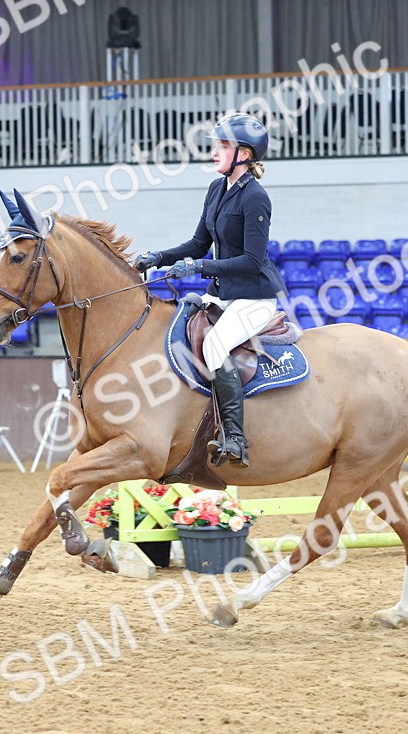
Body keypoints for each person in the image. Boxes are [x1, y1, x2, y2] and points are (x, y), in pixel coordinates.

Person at [134, 113, 287, 469]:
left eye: (223, 145)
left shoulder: (255, 198)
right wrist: (158, 257)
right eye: (216, 144)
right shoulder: (217, 189)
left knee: (216, 345)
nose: (215, 151)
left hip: (253, 298)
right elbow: (199, 243)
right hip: (222, 294)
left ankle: (235, 437)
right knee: (173, 324)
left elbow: (252, 260)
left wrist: (199, 268)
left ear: (245, 154)